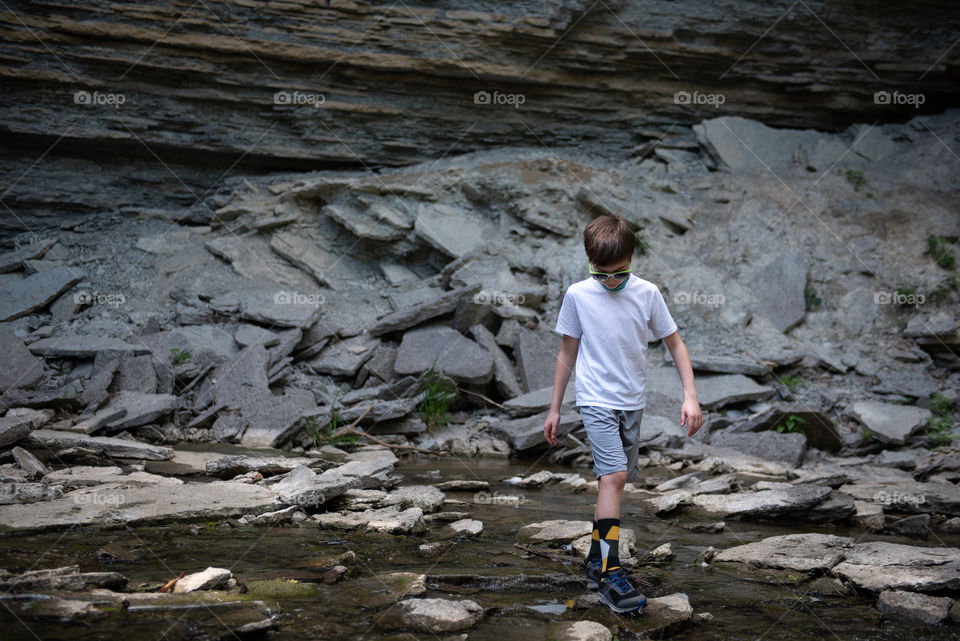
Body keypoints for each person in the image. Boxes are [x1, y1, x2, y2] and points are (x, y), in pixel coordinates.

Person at [543, 213, 703, 614]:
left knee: (615, 482)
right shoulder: (578, 294)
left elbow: (675, 344)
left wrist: (691, 396)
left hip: (633, 402)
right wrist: (554, 408)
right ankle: (612, 576)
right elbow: (567, 352)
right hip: (595, 398)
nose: (610, 282)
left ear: (632, 258)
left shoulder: (647, 293)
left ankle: (597, 559)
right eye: (602, 275)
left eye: (619, 274)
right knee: (613, 475)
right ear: (589, 263)